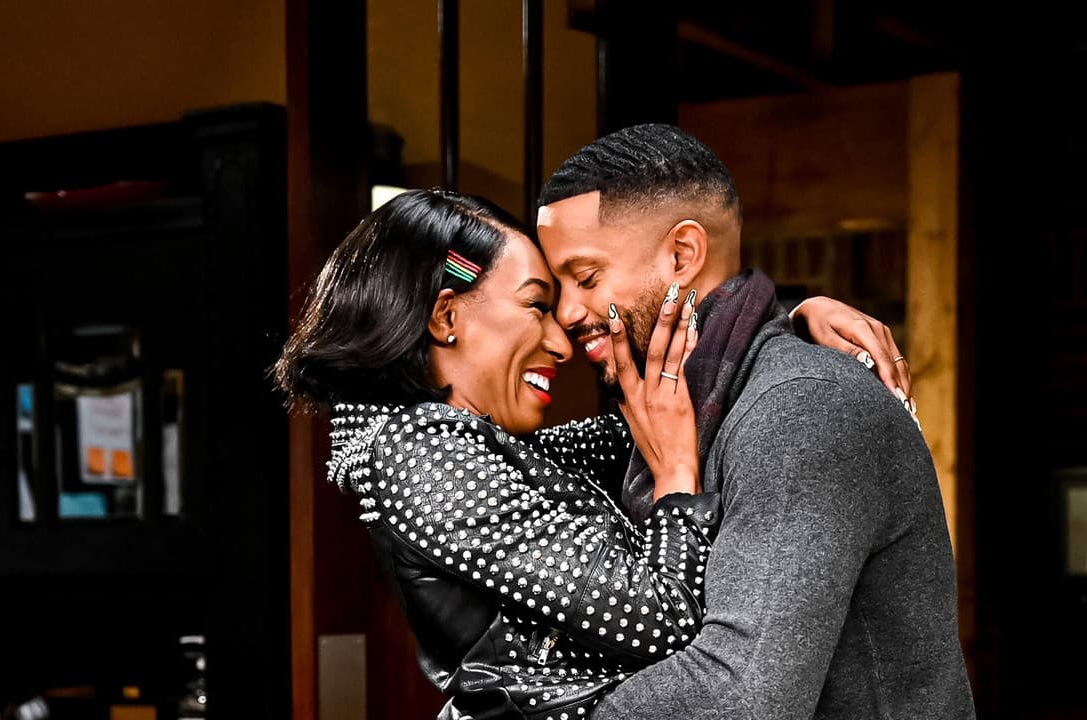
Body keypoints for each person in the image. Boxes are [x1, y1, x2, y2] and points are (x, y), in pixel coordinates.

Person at [273, 188, 913, 718]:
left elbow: (672, 408)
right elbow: (662, 623)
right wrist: (677, 480)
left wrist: (783, 328)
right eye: (536, 305)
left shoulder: (477, 451)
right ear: (446, 317)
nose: (562, 341)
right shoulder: (421, 460)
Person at [536, 123, 975, 719]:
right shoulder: (671, 412)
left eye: (586, 277)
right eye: (555, 289)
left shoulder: (805, 410)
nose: (566, 313)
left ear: (682, 255)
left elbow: (741, 696)